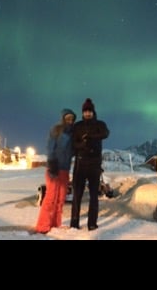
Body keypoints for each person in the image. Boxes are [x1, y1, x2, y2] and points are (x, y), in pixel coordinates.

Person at [70, 98, 110, 231]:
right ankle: (74, 222)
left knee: (94, 196)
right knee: (77, 195)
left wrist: (91, 137)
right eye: (85, 111)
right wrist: (82, 144)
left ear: (93, 112)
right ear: (82, 112)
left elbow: (105, 133)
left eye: (89, 111)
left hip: (94, 164)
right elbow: (73, 143)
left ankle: (92, 223)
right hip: (80, 163)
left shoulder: (100, 124)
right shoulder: (77, 126)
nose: (87, 113)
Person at [35, 108, 76, 234]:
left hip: (65, 169)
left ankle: (55, 223)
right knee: (51, 197)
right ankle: (43, 226)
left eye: (72, 118)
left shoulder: (73, 134)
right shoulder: (56, 130)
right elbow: (50, 147)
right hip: (54, 167)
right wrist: (52, 163)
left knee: (61, 198)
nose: (70, 120)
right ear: (63, 118)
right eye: (67, 118)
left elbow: (71, 151)